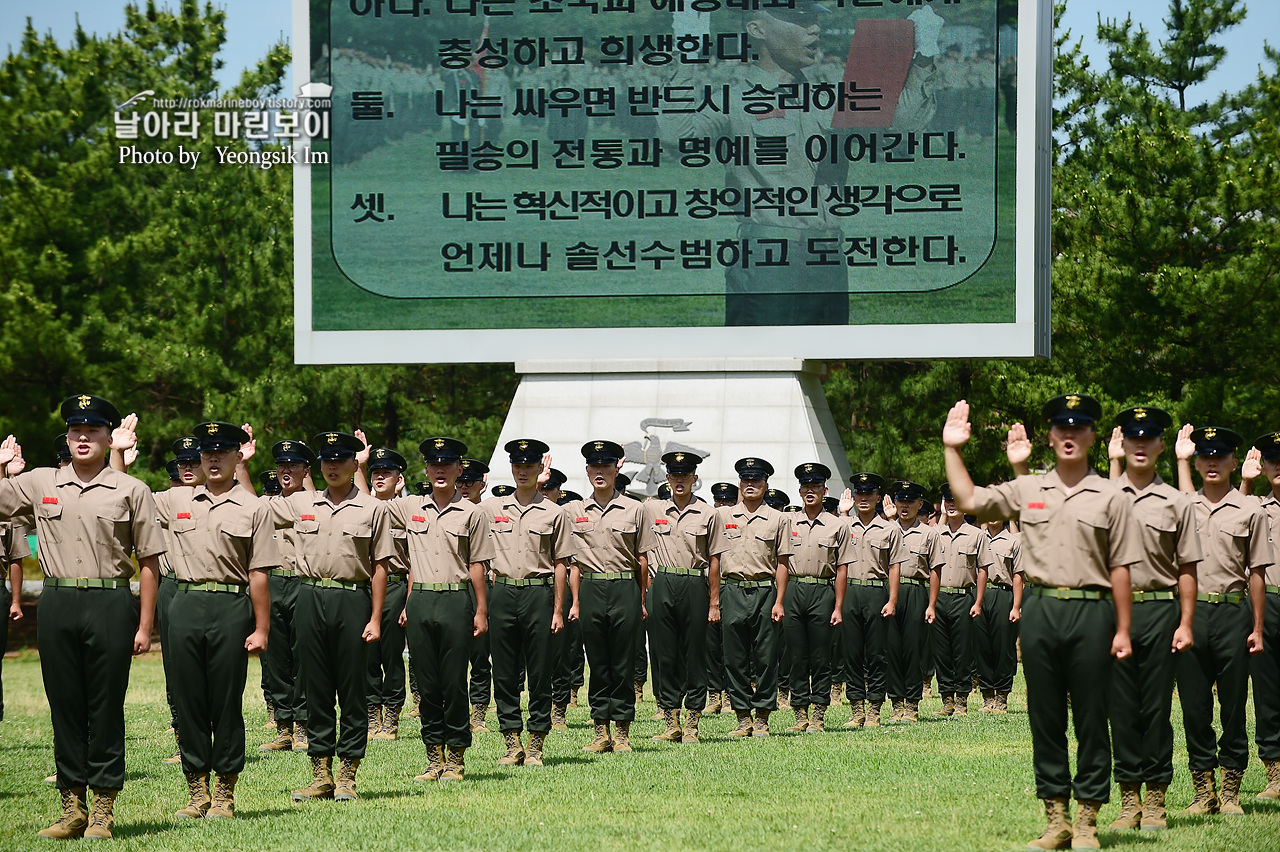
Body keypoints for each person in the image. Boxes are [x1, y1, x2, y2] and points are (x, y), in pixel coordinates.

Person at [943, 394, 1141, 851]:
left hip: (1093, 610)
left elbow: (1122, 568)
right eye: (1061, 429)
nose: (1069, 436)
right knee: (1044, 717)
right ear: (1050, 437)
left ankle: (1089, 820)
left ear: (1092, 436)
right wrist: (953, 449)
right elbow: (970, 499)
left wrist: (1124, 629)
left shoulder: (1112, 495)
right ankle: (1057, 820)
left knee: (1092, 716)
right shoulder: (1028, 489)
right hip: (1040, 608)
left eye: (1080, 428)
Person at [660, 5, 938, 326]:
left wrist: (924, 55)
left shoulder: (834, 96)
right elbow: (676, 136)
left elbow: (903, 126)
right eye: (800, 20)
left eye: (815, 20)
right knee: (762, 364)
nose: (814, 29)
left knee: (825, 365)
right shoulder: (734, 99)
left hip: (828, 253)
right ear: (758, 30)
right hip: (768, 257)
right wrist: (687, 48)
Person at [0, 396, 165, 840]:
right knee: (65, 706)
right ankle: (72, 807)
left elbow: (149, 560)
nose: (82, 437)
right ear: (68, 436)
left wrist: (146, 624)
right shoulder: (39, 481)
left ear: (108, 437)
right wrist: (1, 466)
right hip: (57, 603)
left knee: (105, 707)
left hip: (110, 604)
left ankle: (103, 810)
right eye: (76, 430)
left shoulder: (132, 490)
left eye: (92, 430)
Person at [154, 422, 275, 820]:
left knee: (225, 701)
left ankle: (224, 791)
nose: (213, 459)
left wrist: (261, 628)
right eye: (207, 452)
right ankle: (196, 789)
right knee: (187, 699)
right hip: (184, 605)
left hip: (230, 606)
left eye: (222, 451)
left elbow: (259, 574)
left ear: (237, 456)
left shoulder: (255, 507)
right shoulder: (177, 500)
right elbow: (123, 496)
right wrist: (117, 450)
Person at [269, 431, 393, 804]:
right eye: (327, 460)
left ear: (355, 464)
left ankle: (347, 776)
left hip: (351, 600)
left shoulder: (373, 508)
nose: (333, 466)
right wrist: (239, 465)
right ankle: (321, 774)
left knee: (352, 689)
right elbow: (249, 509)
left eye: (341, 459)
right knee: (315, 688)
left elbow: (381, 566)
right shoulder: (301, 502)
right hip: (308, 597)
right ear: (319, 466)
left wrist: (374, 618)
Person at [1097, 408, 1200, 829]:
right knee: (1120, 709)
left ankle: (1155, 797)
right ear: (1124, 444)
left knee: (1155, 708)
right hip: (1111, 614)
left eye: (1149, 438)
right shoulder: (1103, 497)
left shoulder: (1178, 502)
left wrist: (1186, 622)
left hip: (1160, 610)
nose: (1141, 445)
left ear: (1160, 445)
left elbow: (1187, 568)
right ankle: (1129, 799)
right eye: (1133, 438)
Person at [1172, 425, 1270, 815]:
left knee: (1233, 705)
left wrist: (1258, 628)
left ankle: (1231, 789)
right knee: (1194, 707)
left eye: (1220, 455)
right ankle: (1204, 790)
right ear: (1196, 462)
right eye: (1205, 456)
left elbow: (1258, 573)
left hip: (1233, 613)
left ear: (1234, 461)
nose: (1212, 462)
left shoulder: (1252, 510)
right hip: (1190, 616)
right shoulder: (1182, 507)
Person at [387, 437, 494, 783]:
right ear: (426, 470)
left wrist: (480, 610)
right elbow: (373, 504)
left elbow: (477, 563)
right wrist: (360, 467)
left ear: (459, 469)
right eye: (434, 465)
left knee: (452, 683)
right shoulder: (412, 507)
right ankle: (434, 756)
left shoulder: (473, 513)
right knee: (427, 685)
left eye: (447, 465)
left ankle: (457, 757)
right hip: (420, 601)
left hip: (455, 600)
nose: (440, 471)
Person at [481, 439, 573, 766]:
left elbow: (561, 562)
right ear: (511, 469)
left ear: (540, 470)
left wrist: (559, 608)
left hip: (539, 592)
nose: (523, 472)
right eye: (518, 466)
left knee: (539, 669)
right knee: (504, 671)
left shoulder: (554, 512)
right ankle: (511, 740)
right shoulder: (492, 508)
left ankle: (536, 741)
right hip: (502, 591)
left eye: (529, 466)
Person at [564, 440, 654, 753]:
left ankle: (623, 731)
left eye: (606, 465)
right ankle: (600, 730)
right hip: (590, 588)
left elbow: (642, 559)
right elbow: (574, 564)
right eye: (594, 466)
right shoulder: (575, 510)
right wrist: (575, 602)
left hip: (624, 588)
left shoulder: (635, 509)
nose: (599, 471)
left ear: (618, 467)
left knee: (623, 662)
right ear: (587, 470)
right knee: (598, 663)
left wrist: (640, 600)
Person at [710, 457, 791, 737]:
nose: (750, 485)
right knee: (733, 657)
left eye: (756, 480)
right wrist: (715, 600)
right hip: (732, 589)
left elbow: (782, 563)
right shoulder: (722, 516)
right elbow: (715, 560)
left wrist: (779, 600)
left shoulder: (779, 519)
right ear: (739, 483)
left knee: (766, 657)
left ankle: (763, 717)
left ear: (766, 484)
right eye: (745, 480)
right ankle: (742, 716)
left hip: (765, 591)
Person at [642, 451, 717, 743]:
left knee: (695, 654)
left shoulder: (708, 513)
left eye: (685, 475)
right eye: (674, 475)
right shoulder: (652, 509)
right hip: (662, 583)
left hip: (694, 583)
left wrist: (713, 602)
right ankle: (671, 719)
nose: (680, 480)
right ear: (668, 478)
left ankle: (693, 722)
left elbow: (714, 561)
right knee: (664, 654)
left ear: (694, 479)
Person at [259, 439, 318, 752]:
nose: (286, 470)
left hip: (302, 583)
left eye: (293, 465)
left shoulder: (317, 503)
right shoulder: (265, 503)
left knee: (304, 656)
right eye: (282, 465)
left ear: (306, 470)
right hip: (271, 583)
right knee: (276, 656)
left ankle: (305, 725)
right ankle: (283, 725)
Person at [782, 463, 848, 733]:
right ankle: (800, 714)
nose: (810, 491)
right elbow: (782, 563)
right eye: (806, 487)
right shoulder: (788, 522)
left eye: (816, 487)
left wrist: (839, 606)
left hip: (822, 591)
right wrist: (779, 600)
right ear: (799, 491)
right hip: (794, 591)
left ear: (825, 490)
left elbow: (842, 568)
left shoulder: (837, 525)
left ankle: (818, 713)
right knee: (796, 656)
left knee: (821, 656)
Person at [837, 473, 902, 728]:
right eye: (859, 494)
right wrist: (843, 514)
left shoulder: (890, 528)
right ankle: (856, 709)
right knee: (851, 653)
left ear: (877, 497)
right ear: (853, 497)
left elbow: (895, 565)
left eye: (869, 494)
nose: (863, 499)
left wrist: (892, 600)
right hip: (850, 590)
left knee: (877, 654)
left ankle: (874, 708)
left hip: (877, 592)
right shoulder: (844, 525)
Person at [926, 483, 993, 717]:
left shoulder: (977, 535)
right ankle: (947, 700)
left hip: (964, 598)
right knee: (941, 652)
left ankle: (962, 699)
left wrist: (978, 602)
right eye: (948, 501)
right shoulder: (934, 533)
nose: (952, 505)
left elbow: (983, 569)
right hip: (939, 598)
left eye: (957, 501)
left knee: (963, 652)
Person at [359, 446, 411, 741]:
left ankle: (391, 714)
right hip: (365, 587)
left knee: (391, 655)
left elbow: (416, 560)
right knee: (366, 654)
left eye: (386, 473)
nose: (380, 477)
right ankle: (371, 712)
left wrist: (409, 601)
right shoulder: (363, 507)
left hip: (394, 586)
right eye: (375, 473)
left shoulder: (404, 511)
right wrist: (359, 464)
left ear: (397, 478)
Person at [1240, 432, 1280, 800]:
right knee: (1267, 691)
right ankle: (1275, 773)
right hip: (1267, 606)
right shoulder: (1255, 507)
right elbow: (1223, 522)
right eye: (1272, 459)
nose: (1279, 465)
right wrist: (1246, 481)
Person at [887, 480, 940, 723]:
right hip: (889, 594)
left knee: (913, 649)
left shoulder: (929, 534)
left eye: (910, 501)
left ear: (920, 504)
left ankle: (912, 704)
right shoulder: (887, 529)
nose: (904, 506)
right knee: (892, 649)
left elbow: (935, 571)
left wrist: (931, 604)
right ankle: (896, 702)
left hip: (915, 591)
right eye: (900, 500)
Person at [457, 458, 494, 734]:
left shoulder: (493, 511)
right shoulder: (449, 510)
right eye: (461, 481)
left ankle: (479, 712)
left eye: (471, 481)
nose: (464, 486)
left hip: (483, 587)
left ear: (484, 483)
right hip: (454, 587)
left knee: (480, 655)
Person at [974, 518, 1024, 715]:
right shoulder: (977, 538)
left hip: (1003, 594)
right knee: (982, 647)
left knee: (1003, 647)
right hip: (979, 595)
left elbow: (1018, 575)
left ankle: (1001, 697)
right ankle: (987, 696)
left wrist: (1016, 606)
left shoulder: (1013, 541)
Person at [706, 481, 738, 713]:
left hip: (730, 587)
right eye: (719, 501)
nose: (723, 506)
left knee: (730, 646)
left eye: (728, 502)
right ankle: (714, 694)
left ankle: (728, 694)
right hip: (706, 587)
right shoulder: (706, 520)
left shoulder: (738, 523)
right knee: (709, 646)